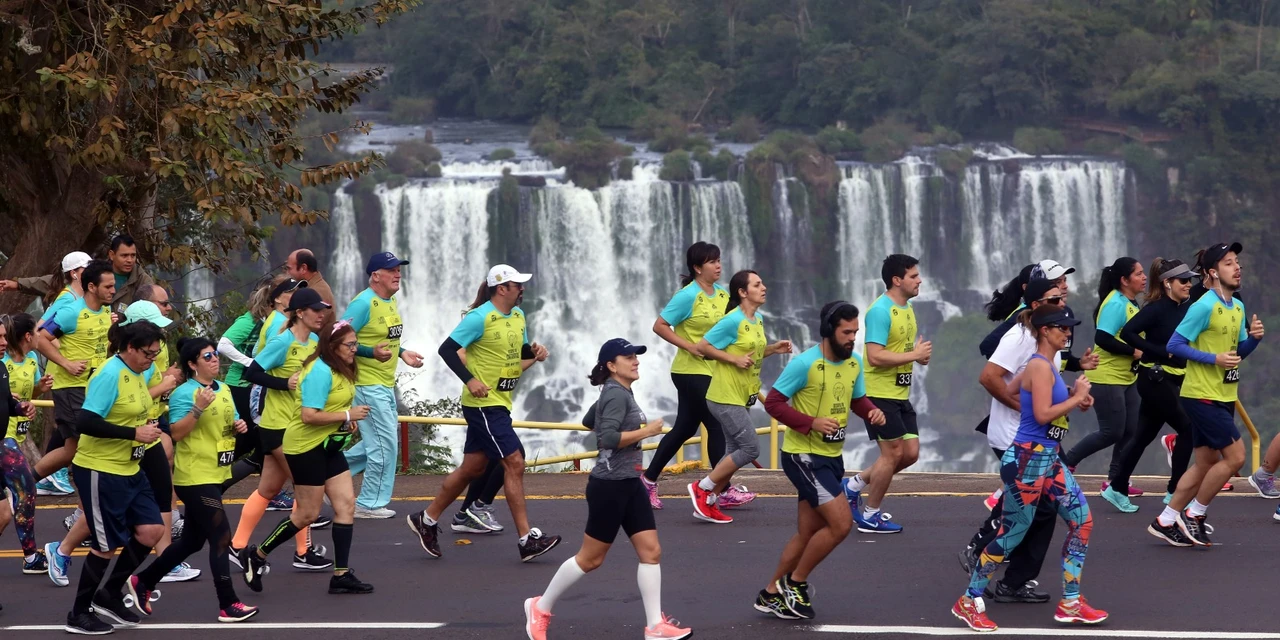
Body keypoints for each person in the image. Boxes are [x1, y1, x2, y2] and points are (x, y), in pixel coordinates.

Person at [523, 338, 691, 640]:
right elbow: (608, 439)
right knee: (591, 559)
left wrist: (607, 408)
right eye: (628, 357)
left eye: (635, 356)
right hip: (609, 486)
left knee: (651, 551)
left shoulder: (617, 392)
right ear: (612, 366)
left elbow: (590, 420)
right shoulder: (617, 395)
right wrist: (648, 431)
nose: (635, 360)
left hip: (629, 483)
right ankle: (540, 606)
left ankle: (655, 627)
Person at [953, 305, 1106, 632]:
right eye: (1063, 329)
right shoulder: (1039, 365)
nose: (1068, 334)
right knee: (1011, 536)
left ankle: (1071, 601)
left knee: (1082, 522)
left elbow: (1011, 389)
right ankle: (969, 600)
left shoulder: (1042, 364)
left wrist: (1070, 399)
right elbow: (1041, 415)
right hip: (1027, 461)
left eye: (1069, 328)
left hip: (1046, 459)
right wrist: (1075, 395)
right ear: (1045, 331)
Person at [408, 264, 561, 562]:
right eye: (517, 285)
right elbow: (446, 349)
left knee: (473, 468)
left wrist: (536, 355)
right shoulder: (478, 318)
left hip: (500, 402)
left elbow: (517, 359)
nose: (522, 289)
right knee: (515, 462)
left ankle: (425, 519)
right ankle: (526, 540)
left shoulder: (517, 316)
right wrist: (470, 379)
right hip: (483, 405)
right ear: (501, 288)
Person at [756, 302, 884, 620]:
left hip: (831, 457)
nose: (852, 338)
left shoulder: (854, 362)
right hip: (803, 457)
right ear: (828, 330)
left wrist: (870, 411)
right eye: (846, 332)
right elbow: (773, 402)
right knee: (840, 525)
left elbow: (856, 398)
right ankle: (795, 583)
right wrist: (810, 422)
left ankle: (770, 593)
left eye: (856, 332)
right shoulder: (805, 364)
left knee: (808, 532)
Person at [125, 338, 258, 622]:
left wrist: (239, 426)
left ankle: (143, 582)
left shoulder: (223, 389)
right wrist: (197, 409)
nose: (214, 360)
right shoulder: (185, 393)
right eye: (207, 356)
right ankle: (228, 603)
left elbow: (229, 423)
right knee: (221, 536)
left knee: (192, 543)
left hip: (217, 471)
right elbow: (176, 433)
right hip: (194, 475)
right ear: (191, 364)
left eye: (215, 355)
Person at [959, 280, 1075, 605]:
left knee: (1030, 508)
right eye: (1054, 298)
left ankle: (993, 565)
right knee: (1036, 509)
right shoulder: (1020, 336)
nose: (1062, 301)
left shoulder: (1046, 344)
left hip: (1037, 439)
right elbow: (989, 377)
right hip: (1019, 437)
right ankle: (994, 574)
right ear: (1036, 305)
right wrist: (1031, 408)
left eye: (1062, 296)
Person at [241, 321, 375, 595]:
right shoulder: (318, 371)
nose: (355, 350)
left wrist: (346, 419)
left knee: (346, 505)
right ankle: (257, 555)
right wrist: (348, 415)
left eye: (355, 344)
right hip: (304, 447)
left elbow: (337, 404)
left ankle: (341, 575)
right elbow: (309, 415)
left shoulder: (343, 368)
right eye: (350, 345)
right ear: (332, 346)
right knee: (307, 514)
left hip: (328, 445)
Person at [1151, 242, 1263, 546]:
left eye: (1237, 261)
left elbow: (1236, 353)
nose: (1237, 267)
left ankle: (1165, 520)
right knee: (1236, 457)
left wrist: (1253, 341)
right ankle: (1195, 513)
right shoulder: (1203, 306)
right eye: (1228, 263)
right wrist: (1213, 359)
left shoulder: (1236, 306)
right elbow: (1175, 346)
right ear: (1212, 273)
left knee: (1204, 464)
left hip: (1224, 394)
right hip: (1201, 394)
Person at [62, 320, 166, 635]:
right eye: (148, 353)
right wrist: (134, 432)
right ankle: (78, 613)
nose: (153, 359)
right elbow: (86, 422)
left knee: (152, 530)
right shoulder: (108, 375)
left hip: (130, 468)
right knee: (105, 545)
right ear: (130, 348)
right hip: (100, 469)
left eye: (156, 353)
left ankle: (109, 595)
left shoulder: (140, 371)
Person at [232, 287, 331, 571]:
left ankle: (236, 546)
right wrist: (283, 382)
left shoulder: (314, 342)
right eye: (316, 310)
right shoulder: (282, 341)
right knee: (305, 488)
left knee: (268, 489)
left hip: (295, 426)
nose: (321, 315)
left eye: (323, 310)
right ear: (300, 313)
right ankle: (303, 552)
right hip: (277, 426)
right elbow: (252, 372)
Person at [687, 269, 791, 525]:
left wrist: (772, 349)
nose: (764, 287)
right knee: (750, 447)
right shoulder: (732, 320)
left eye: (762, 282)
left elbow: (749, 354)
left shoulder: (757, 320)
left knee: (734, 449)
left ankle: (710, 499)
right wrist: (732, 358)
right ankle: (702, 488)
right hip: (724, 396)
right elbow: (703, 347)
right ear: (743, 293)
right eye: (757, 284)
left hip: (742, 395)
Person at [36, 260, 115, 588]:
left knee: (72, 448)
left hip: (95, 389)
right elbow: (40, 337)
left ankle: (26, 482)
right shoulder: (72, 311)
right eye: (108, 286)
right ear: (91, 286)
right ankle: (81, 515)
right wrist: (66, 362)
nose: (113, 290)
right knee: (85, 450)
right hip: (72, 390)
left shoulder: (103, 314)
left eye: (115, 285)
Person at [841, 254, 929, 534]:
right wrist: (914, 354)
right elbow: (874, 356)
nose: (919, 280)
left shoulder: (907, 307)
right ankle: (870, 514)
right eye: (914, 276)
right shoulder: (880, 310)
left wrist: (917, 358)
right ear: (897, 280)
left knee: (910, 453)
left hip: (899, 392)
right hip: (877, 394)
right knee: (892, 454)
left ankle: (852, 485)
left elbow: (902, 350)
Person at [645, 242, 733, 510]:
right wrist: (689, 346)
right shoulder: (687, 295)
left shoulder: (722, 295)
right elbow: (659, 325)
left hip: (712, 370)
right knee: (716, 422)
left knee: (684, 428)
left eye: (719, 260)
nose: (718, 265)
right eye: (711, 262)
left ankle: (647, 481)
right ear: (697, 268)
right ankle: (722, 489)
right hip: (689, 370)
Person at [1108, 259, 1198, 514]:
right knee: (1188, 428)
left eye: (1189, 280)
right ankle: (1175, 491)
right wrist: (1158, 351)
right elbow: (1128, 333)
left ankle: (1116, 486)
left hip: (1175, 378)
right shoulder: (1156, 309)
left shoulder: (1188, 307)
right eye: (1183, 281)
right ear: (1168, 283)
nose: (1188, 285)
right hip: (1154, 379)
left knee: (1143, 436)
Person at [342, 252, 424, 519]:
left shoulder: (389, 301)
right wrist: (369, 353)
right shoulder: (362, 304)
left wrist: (402, 353)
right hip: (366, 384)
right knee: (383, 445)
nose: (398, 274)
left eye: (399, 269)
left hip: (384, 383)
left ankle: (325, 474)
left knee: (375, 444)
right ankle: (368, 503)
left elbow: (386, 338)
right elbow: (338, 339)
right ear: (375, 276)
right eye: (391, 270)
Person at [1061, 257, 1147, 497]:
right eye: (1139, 274)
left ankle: (1116, 480)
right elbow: (1103, 338)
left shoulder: (1130, 301)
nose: (1144, 277)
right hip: (1106, 376)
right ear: (1124, 280)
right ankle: (1066, 464)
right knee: (1112, 431)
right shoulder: (1116, 304)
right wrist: (1134, 351)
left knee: (1131, 431)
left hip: (1127, 377)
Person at [214, 278, 278, 493]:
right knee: (251, 442)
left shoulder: (271, 324)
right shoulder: (250, 321)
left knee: (256, 443)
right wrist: (251, 363)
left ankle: (217, 482)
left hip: (257, 387)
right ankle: (214, 481)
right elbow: (223, 345)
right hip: (241, 385)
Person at [0, 313, 49, 574]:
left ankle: (30, 556)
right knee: (26, 488)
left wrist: (22, 405)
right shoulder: (3, 363)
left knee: (4, 512)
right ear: (28, 336)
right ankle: (31, 556)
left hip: (14, 436)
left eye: (4, 337)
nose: (3, 342)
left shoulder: (25, 362)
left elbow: (12, 400)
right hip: (4, 439)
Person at [106, 234, 157, 310]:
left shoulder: (142, 279)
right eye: (124, 256)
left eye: (133, 255)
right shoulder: (98, 275)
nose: (129, 260)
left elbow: (152, 307)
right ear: (112, 255)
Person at [286, 249, 335, 325]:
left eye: (289, 269)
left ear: (303, 268)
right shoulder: (312, 287)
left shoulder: (317, 292)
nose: (287, 273)